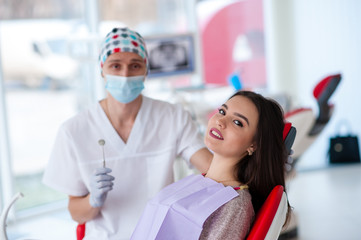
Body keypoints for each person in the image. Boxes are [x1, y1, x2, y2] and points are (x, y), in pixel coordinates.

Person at [42, 27, 212, 239]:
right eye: (115, 65)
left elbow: (211, 167)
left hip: (160, 234)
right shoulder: (74, 131)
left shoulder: (172, 116)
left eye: (135, 65)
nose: (125, 74)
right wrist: (92, 200)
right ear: (102, 70)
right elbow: (76, 213)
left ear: (146, 71)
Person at [131, 90, 291, 240]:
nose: (220, 121)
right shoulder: (198, 181)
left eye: (237, 122)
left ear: (253, 145)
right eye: (222, 111)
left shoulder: (235, 205)